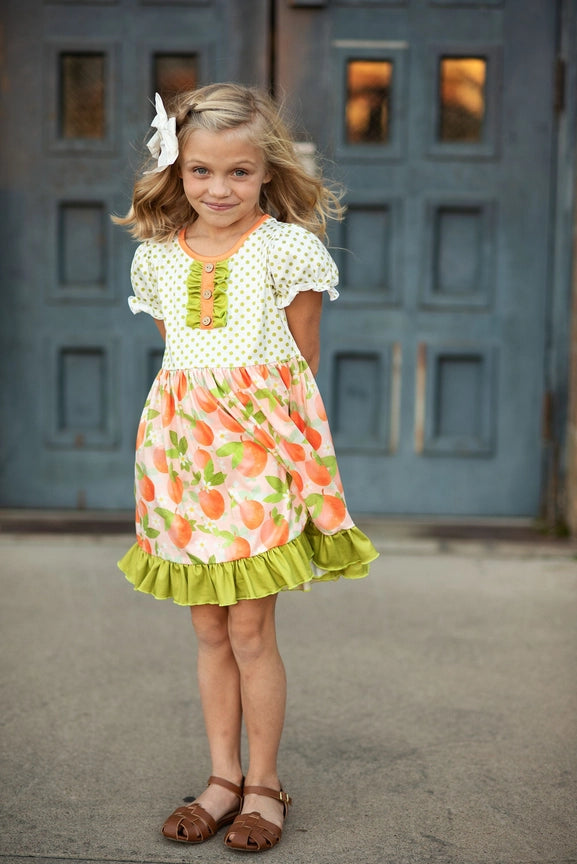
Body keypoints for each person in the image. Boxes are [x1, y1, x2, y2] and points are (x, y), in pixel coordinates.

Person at [114, 82, 378, 853]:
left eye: (237, 172)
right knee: (206, 627)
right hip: (179, 459)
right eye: (200, 172)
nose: (218, 188)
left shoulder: (288, 248)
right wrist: (178, 453)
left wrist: (298, 473)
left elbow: (300, 365)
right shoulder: (157, 258)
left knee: (251, 628)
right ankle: (220, 777)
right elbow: (181, 363)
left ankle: (264, 784)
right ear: (176, 170)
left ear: (266, 172)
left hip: (258, 456)